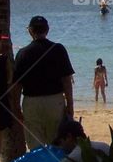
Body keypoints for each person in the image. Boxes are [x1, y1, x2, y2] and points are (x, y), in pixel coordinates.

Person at [12, 16, 75, 150]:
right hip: (55, 100)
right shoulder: (58, 49)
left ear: (30, 31)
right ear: (47, 30)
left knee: (35, 145)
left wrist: (17, 108)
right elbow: (66, 80)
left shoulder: (23, 53)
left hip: (31, 102)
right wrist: (70, 104)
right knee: (56, 142)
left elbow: (17, 85)